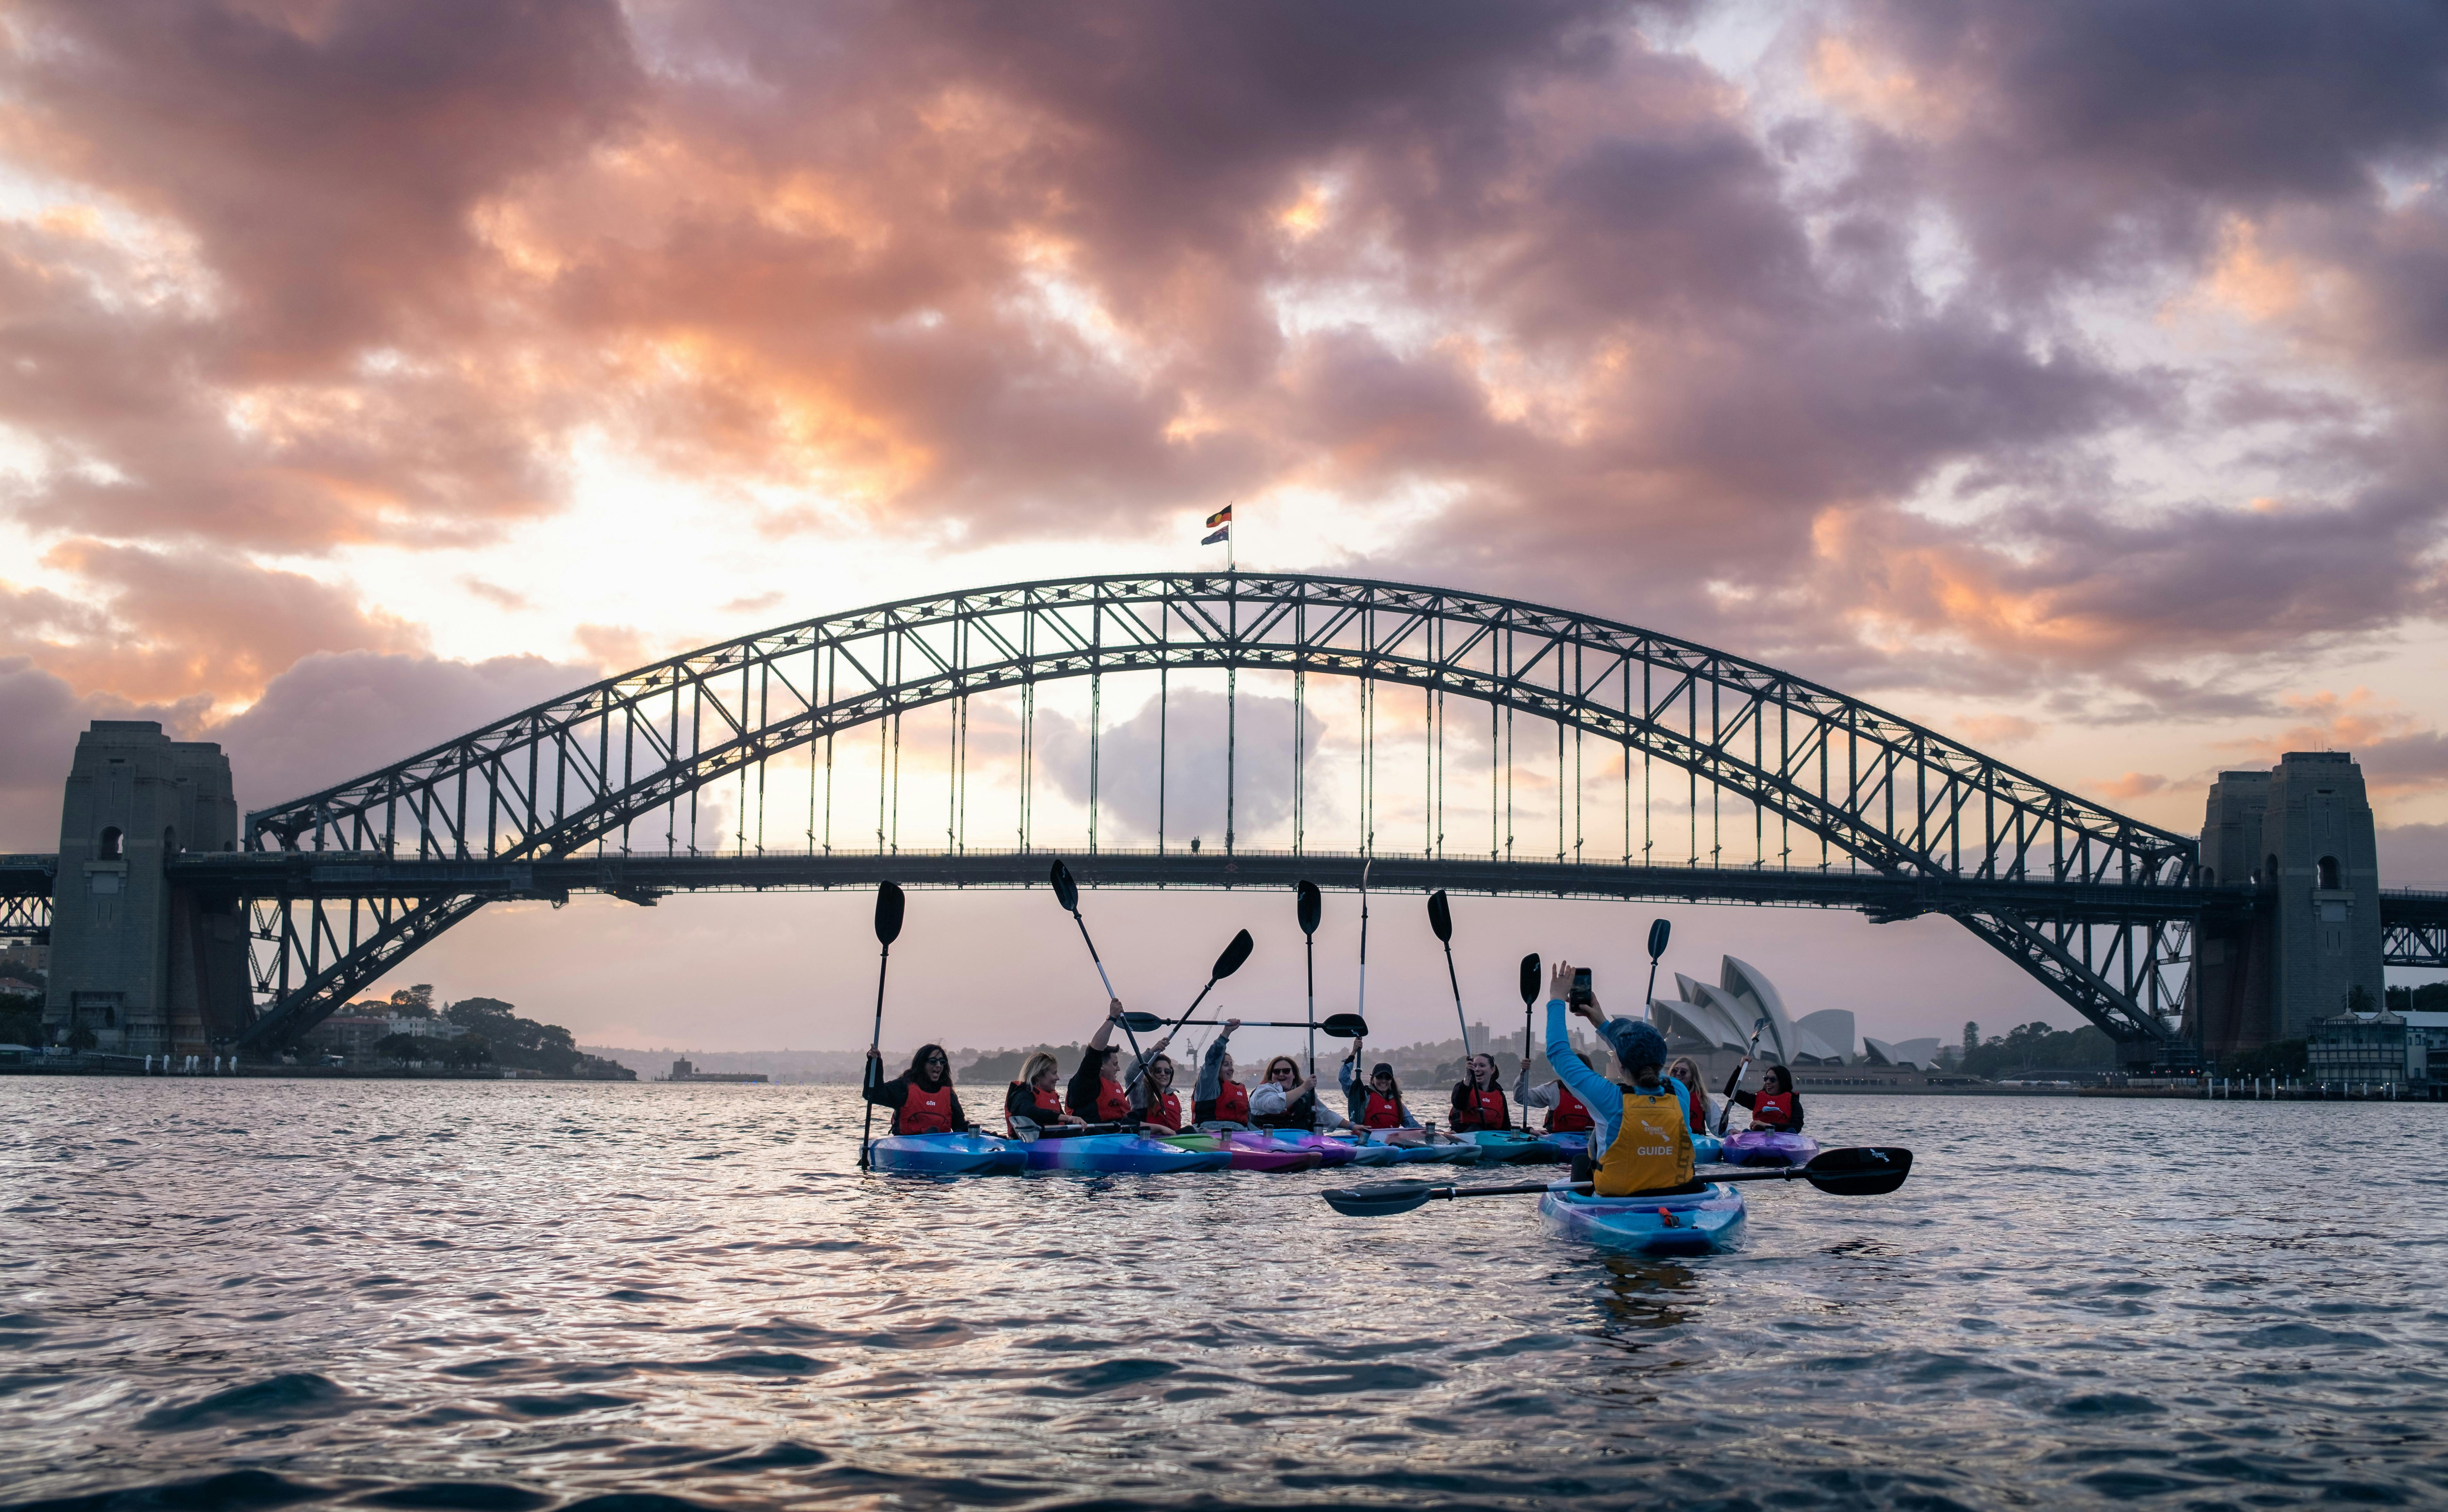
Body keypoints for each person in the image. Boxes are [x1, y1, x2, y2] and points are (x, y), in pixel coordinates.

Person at [1542, 960, 1702, 1197]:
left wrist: (1556, 999)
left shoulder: (1609, 1099)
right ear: (1661, 1060)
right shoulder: (1678, 1089)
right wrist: (1602, 1023)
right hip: (1677, 1196)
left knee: (1580, 1162)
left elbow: (1558, 1052)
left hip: (1618, 1202)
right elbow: (1641, 1061)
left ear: (1618, 1061)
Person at [863, 1043, 972, 1136]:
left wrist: (984, 1135)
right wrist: (875, 1063)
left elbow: (960, 1127)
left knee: (937, 1133)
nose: (939, 1065)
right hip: (906, 1147)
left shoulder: (949, 1095)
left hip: (940, 1149)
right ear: (922, 1064)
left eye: (942, 1062)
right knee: (932, 1133)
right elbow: (873, 1094)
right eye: (933, 1061)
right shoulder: (904, 1086)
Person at [1066, 998, 1141, 1126]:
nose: (1118, 1069)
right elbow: (1095, 1051)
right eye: (1115, 1064)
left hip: (1122, 1133)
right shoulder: (1086, 1083)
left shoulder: (1114, 1085)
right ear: (1101, 1066)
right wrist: (1112, 1019)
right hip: (1095, 1137)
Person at [1252, 1053, 1346, 1130]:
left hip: (1299, 1141)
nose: (1281, 1074)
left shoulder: (1306, 1095)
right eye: (1277, 1072)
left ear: (1294, 1075)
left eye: (1286, 1071)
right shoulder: (1262, 1092)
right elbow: (1275, 1105)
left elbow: (1324, 1115)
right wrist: (1304, 1088)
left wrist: (1352, 1126)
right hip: (1267, 1141)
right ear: (1271, 1075)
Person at [1005, 1051, 1085, 1136]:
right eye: (1054, 1073)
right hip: (1030, 1144)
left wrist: (1076, 1123)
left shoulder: (1052, 1096)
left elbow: (1063, 1122)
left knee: (1091, 1132)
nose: (1058, 1078)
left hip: (1054, 1142)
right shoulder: (1022, 1094)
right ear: (1039, 1075)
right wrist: (1068, 1118)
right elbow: (1029, 1112)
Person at [1515, 1056, 1597, 1135]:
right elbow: (1521, 1097)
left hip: (1589, 1142)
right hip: (1556, 1141)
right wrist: (1523, 1074)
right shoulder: (1554, 1089)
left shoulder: (1599, 1093)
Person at [1194, 1018, 1252, 1126]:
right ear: (1217, 1069)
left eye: (1232, 1065)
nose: (1231, 1069)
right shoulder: (1208, 1088)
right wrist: (1226, 1033)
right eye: (1226, 1065)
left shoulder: (1240, 1089)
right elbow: (1212, 1061)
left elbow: (1248, 1122)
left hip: (1241, 1134)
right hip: (1213, 1133)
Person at [1731, 1064, 1805, 1132]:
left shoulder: (1793, 1101)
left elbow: (1797, 1127)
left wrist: (1768, 1126)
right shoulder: (1756, 1100)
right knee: (1746, 1132)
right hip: (1759, 1140)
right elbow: (1730, 1091)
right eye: (1766, 1079)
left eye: (1773, 1080)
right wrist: (1741, 1067)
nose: (1768, 1082)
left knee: (1792, 1131)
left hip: (1784, 1140)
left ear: (1782, 1082)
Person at [1130, 1046, 1187, 1136]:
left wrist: (1203, 1131)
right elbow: (1132, 1075)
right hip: (1149, 1143)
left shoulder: (1173, 1098)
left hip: (1174, 1144)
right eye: (1158, 1071)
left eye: (1167, 1071)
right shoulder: (1142, 1094)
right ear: (1151, 1072)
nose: (1163, 1074)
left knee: (1189, 1129)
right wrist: (1151, 1052)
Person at [1450, 1052, 1510, 1132]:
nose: (1477, 1069)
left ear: (1492, 1070)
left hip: (1491, 1138)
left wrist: (1527, 1131)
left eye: (1482, 1066)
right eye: (1475, 1066)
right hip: (1463, 1135)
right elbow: (1460, 1105)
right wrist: (1468, 1076)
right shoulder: (1462, 1087)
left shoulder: (1500, 1095)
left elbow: (1506, 1127)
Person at [1666, 1055, 1712, 1135]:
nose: (1678, 1074)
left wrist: (1730, 1130)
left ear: (1692, 1077)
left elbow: (1718, 1124)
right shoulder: (1661, 1096)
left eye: (1683, 1072)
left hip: (1694, 1141)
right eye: (1675, 1071)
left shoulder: (1703, 1100)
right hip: (1668, 1138)